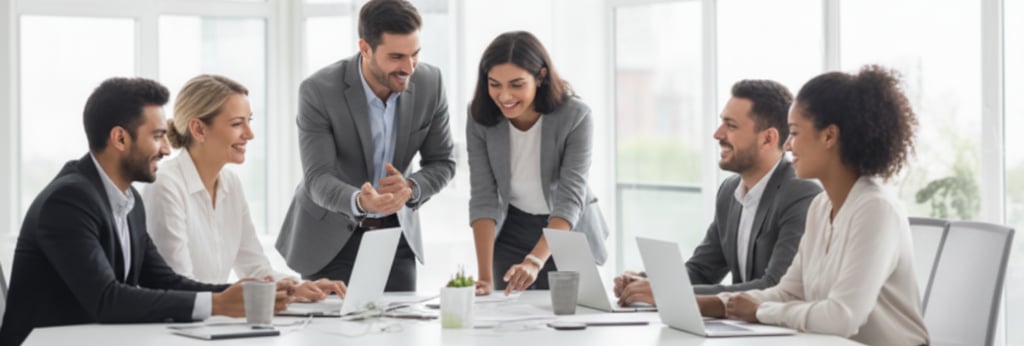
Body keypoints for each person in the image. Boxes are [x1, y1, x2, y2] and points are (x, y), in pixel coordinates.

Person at [0, 77, 292, 345]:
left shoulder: (128, 200)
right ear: (120, 139)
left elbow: (165, 280)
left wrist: (242, 294)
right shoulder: (69, 200)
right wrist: (218, 305)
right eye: (157, 136)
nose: (167, 149)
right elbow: (107, 299)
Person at [697, 65, 929, 345]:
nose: (789, 146)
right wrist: (716, 304)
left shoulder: (875, 209)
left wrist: (759, 311)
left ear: (829, 136)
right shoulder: (821, 207)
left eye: (794, 132)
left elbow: (842, 317)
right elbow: (788, 292)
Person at [276, 0, 455, 292]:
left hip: (395, 236)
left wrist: (410, 187)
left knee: (400, 331)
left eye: (415, 54)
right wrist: (361, 201)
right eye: (396, 57)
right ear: (365, 48)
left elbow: (443, 162)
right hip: (329, 239)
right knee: (334, 334)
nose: (408, 68)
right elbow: (318, 177)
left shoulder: (430, 82)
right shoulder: (319, 90)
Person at [614, 80, 821, 305]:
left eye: (731, 126)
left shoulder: (801, 194)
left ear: (768, 139)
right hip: (741, 329)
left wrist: (670, 294)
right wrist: (646, 283)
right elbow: (702, 270)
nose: (717, 134)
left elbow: (775, 287)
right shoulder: (729, 190)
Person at [143, 74, 347, 302]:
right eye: (237, 124)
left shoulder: (231, 183)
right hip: (178, 325)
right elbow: (179, 283)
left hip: (212, 320)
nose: (249, 134)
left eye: (249, 121)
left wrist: (298, 287)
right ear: (199, 129)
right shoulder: (165, 185)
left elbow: (255, 268)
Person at [467, 31, 609, 296]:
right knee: (508, 325)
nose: (504, 96)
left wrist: (535, 260)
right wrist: (485, 277)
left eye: (516, 84)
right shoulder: (480, 117)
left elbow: (570, 198)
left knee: (573, 324)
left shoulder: (575, 116)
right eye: (494, 84)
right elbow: (483, 197)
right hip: (513, 228)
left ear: (540, 76)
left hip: (568, 229)